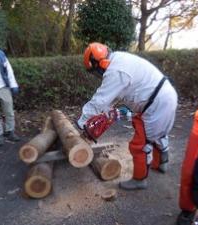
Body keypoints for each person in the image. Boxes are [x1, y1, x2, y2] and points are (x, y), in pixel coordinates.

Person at [76, 42, 178, 190]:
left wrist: (81, 123)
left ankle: (139, 179)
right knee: (158, 132)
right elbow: (114, 97)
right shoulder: (119, 60)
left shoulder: (115, 70)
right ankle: (161, 163)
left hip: (156, 103)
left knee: (139, 144)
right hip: (163, 97)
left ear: (99, 64)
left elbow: (101, 100)